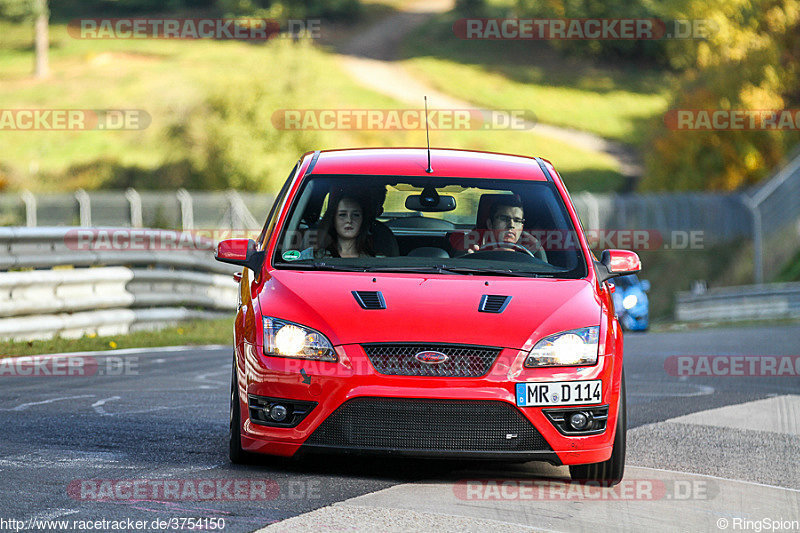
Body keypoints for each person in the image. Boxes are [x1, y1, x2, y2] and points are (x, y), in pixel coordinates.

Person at [467, 196, 545, 259]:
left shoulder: (534, 249)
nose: (511, 225)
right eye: (504, 219)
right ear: (490, 224)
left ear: (522, 227)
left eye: (517, 220)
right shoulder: (470, 244)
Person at [310, 189, 375, 259]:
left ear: (362, 220)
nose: (349, 220)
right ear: (333, 219)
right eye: (342, 215)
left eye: (356, 215)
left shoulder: (372, 261)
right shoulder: (313, 256)